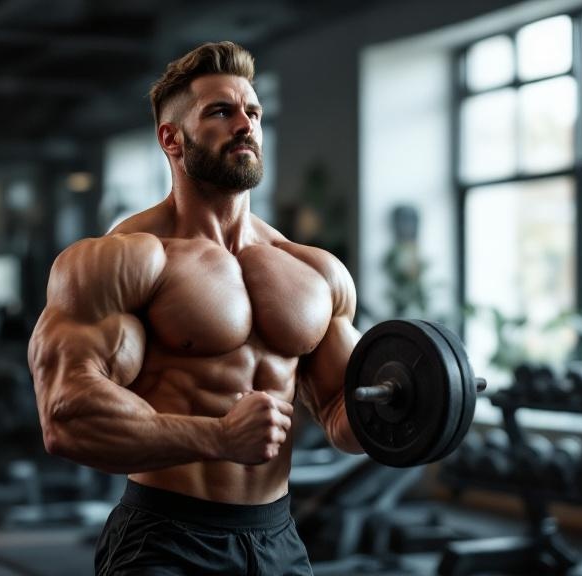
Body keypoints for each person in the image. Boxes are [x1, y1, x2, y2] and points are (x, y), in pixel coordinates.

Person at [28, 41, 362, 575]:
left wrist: (419, 408)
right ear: (172, 139)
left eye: (253, 112)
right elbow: (67, 418)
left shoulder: (315, 271)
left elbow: (346, 415)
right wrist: (220, 438)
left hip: (277, 539)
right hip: (166, 539)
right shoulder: (125, 260)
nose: (245, 125)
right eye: (221, 112)